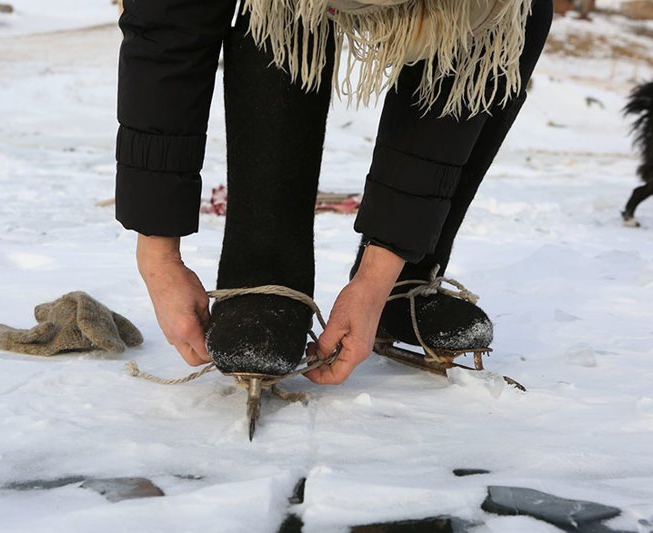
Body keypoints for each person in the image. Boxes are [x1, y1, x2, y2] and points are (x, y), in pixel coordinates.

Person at [115, 0, 553, 384]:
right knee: (275, 11)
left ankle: (409, 276)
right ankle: (264, 272)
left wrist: (377, 278)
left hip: (474, 14)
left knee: (521, 16)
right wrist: (158, 256)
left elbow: (463, 65)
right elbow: (165, 32)